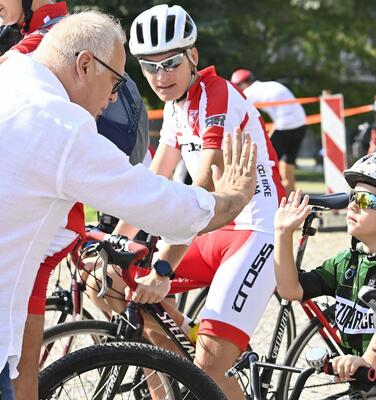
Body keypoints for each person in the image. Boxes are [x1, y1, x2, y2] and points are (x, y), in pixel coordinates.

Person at [0, 10, 257, 399]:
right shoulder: (59, 124)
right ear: (84, 65)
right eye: (115, 81)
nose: (113, 98)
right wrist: (233, 197)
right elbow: (166, 207)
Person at [83, 5, 285, 399]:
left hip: (256, 229)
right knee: (113, 281)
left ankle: (206, 367)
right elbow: (154, 182)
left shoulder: (215, 94)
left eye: (171, 63)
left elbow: (202, 188)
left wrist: (164, 267)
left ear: (193, 55)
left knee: (210, 366)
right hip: (214, 230)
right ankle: (171, 384)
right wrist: (114, 241)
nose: (161, 76)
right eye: (150, 66)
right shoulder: (177, 105)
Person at [0, 2, 151, 398]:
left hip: (78, 207)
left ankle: (181, 376)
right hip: (60, 209)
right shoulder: (44, 36)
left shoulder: (53, 40)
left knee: (125, 299)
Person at [274, 151, 376, 399]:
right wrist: (283, 233)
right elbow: (290, 290)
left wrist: (365, 360)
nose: (352, 205)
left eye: (366, 200)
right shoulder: (346, 261)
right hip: (362, 375)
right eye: (353, 197)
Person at [231, 68, 306, 195]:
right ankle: (292, 200)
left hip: (285, 126)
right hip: (301, 125)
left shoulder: (249, 92)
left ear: (243, 84)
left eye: (238, 86)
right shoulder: (267, 86)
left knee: (264, 163)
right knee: (287, 165)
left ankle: (270, 197)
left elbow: (238, 114)